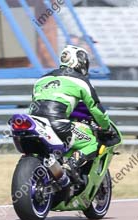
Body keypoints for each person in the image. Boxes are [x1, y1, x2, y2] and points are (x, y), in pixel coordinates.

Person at [29, 45, 115, 189]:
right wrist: (106, 128)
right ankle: (70, 165)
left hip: (35, 123)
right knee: (91, 142)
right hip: (58, 124)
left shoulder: (41, 80)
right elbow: (96, 109)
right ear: (77, 62)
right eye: (83, 60)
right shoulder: (80, 81)